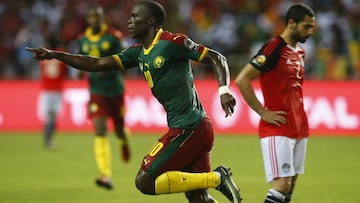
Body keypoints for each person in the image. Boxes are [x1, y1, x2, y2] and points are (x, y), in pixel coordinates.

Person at [26, 1, 241, 203]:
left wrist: (223, 90)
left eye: (134, 17)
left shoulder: (172, 42)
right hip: (195, 128)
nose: (129, 21)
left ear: (150, 21)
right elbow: (96, 63)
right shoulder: (138, 53)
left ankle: (217, 178)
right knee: (198, 199)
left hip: (189, 128)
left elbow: (217, 58)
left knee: (144, 181)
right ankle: (215, 179)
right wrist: (55, 54)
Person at [234, 3, 315, 203]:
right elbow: (242, 79)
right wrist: (263, 112)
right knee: (282, 183)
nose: (310, 31)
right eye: (306, 26)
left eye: (312, 27)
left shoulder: (300, 52)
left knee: (290, 185)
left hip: (298, 125)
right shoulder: (273, 48)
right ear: (291, 23)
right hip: (277, 126)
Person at [77, 7, 131, 190]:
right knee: (100, 129)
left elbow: (125, 61)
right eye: (91, 15)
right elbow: (80, 59)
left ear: (103, 19)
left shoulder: (113, 38)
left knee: (118, 130)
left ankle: (124, 140)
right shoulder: (82, 40)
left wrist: (107, 67)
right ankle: (105, 175)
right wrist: (79, 72)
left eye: (97, 16)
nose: (94, 19)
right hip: (96, 92)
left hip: (114, 91)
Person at [37, 33, 67, 149]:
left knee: (49, 116)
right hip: (57, 90)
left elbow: (40, 63)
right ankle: (48, 140)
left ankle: (48, 140)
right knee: (53, 116)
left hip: (46, 89)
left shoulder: (43, 55)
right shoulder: (61, 54)